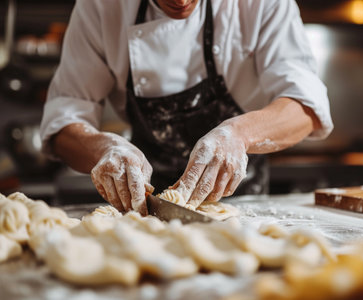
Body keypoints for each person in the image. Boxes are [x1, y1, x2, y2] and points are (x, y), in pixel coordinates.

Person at [40, 0, 333, 215]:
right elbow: (63, 120)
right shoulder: (101, 8)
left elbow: (305, 106)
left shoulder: (261, 5)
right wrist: (102, 148)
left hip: (244, 207)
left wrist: (238, 135)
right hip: (144, 205)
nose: (181, 1)